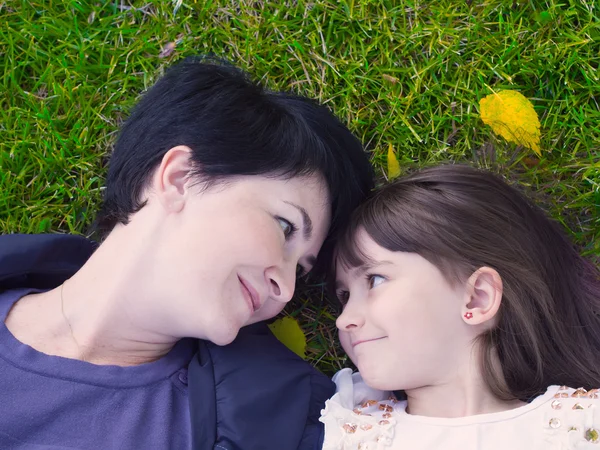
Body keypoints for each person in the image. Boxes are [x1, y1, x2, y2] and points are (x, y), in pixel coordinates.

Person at [0, 57, 374, 449]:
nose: (285, 289)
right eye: (285, 227)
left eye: (300, 268)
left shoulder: (292, 428)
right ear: (180, 178)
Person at [320, 164, 600, 450]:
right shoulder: (348, 429)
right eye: (344, 295)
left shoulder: (580, 428)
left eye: (375, 279)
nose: (343, 320)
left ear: (478, 297)